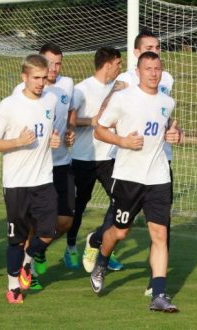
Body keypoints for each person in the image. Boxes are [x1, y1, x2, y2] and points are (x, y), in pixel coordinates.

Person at [90, 51, 181, 312]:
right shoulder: (123, 98)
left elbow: (166, 129)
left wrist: (175, 133)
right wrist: (122, 141)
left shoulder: (167, 101)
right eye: (148, 68)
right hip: (128, 177)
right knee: (120, 231)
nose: (153, 73)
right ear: (138, 72)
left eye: (157, 68)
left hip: (158, 177)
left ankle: (159, 295)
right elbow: (99, 128)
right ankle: (102, 261)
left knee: (160, 235)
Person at [0, 54, 61, 304]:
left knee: (49, 232)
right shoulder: (9, 105)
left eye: (44, 77)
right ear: (24, 77)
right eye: (36, 78)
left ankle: (28, 260)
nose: (41, 83)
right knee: (16, 239)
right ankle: (13, 287)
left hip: (43, 179)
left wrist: (57, 140)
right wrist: (18, 141)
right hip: (16, 183)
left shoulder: (51, 100)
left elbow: (51, 132)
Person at [11, 43, 75, 290]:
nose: (54, 69)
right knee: (33, 224)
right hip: (36, 166)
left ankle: (37, 251)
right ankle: (29, 270)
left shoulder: (66, 86)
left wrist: (69, 132)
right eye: (49, 63)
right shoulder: (22, 91)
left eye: (58, 63)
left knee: (66, 220)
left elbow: (69, 114)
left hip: (61, 162)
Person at [68, 47, 123, 271]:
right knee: (77, 207)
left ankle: (100, 246)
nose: (121, 68)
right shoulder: (81, 89)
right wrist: (91, 121)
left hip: (109, 158)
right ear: (108, 64)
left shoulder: (121, 90)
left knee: (120, 201)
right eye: (118, 63)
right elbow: (70, 121)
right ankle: (70, 248)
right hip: (83, 158)